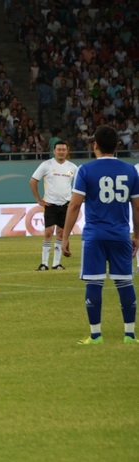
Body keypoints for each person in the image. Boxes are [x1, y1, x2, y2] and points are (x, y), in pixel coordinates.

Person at [61, 125, 139, 345]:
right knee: (124, 282)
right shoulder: (130, 170)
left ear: (95, 144)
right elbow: (137, 207)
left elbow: (75, 205)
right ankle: (130, 335)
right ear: (117, 145)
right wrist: (137, 236)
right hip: (120, 235)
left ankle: (95, 335)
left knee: (94, 283)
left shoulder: (85, 170)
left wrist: (65, 237)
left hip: (94, 235)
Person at [30, 140, 77, 270]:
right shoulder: (46, 165)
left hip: (66, 205)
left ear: (67, 151)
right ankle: (44, 263)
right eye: (59, 149)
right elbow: (33, 181)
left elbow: (78, 185)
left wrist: (73, 198)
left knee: (61, 233)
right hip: (50, 204)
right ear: (54, 151)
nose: (61, 152)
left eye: (63, 149)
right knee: (48, 233)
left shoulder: (73, 167)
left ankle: (56, 263)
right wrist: (39, 199)